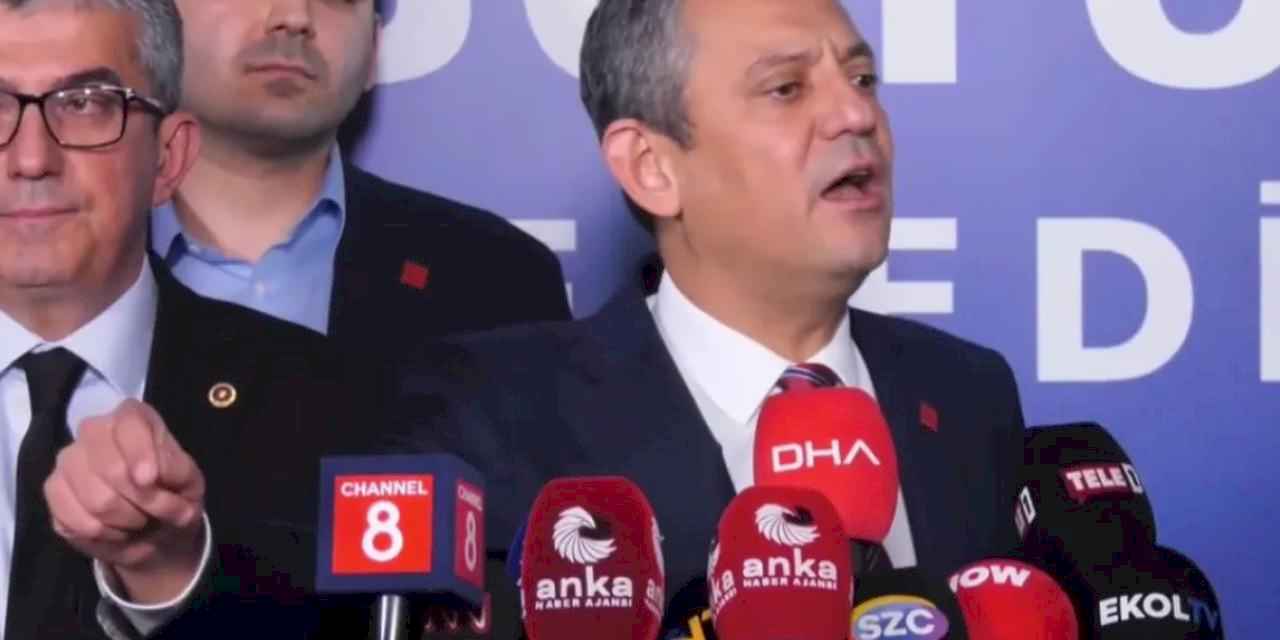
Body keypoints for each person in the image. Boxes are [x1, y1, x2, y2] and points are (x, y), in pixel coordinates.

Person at [392, 0, 1025, 622]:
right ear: (652, 167)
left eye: (862, 79)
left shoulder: (970, 393)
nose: (857, 114)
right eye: (786, 88)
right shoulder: (492, 421)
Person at [0, 1, 376, 637]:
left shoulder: (324, 403)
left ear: (169, 157)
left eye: (85, 103)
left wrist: (171, 574)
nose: (31, 158)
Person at [155, 0, 570, 345]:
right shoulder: (111, 249)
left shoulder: (499, 281)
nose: (295, 16)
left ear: (373, 50)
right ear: (156, 24)